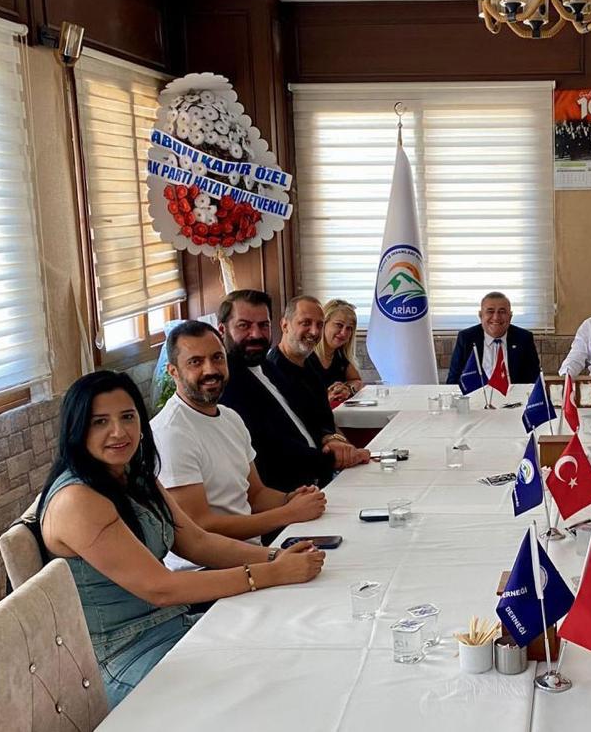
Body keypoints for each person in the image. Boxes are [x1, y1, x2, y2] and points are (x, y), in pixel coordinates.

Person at [37, 371, 325, 707]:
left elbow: (198, 543)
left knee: (293, 650)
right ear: (76, 429)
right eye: (100, 422)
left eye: (127, 417)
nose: (119, 432)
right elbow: (161, 588)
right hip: (124, 658)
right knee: (265, 691)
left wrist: (276, 557)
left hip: (175, 626)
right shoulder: (77, 501)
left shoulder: (133, 475)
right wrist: (270, 573)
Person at [153, 321, 328, 566]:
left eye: (217, 358)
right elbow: (200, 527)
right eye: (195, 362)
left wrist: (291, 499)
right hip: (205, 571)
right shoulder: (170, 433)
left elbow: (256, 495)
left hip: (253, 555)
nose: (210, 369)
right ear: (173, 371)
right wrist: (288, 513)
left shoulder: (230, 417)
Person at [218, 289, 367, 491]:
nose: (256, 334)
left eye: (263, 325)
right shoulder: (228, 383)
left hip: (319, 478)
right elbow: (270, 448)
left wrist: (331, 439)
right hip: (292, 492)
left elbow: (312, 418)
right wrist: (335, 459)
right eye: (244, 326)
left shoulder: (269, 367)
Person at [446, 292, 542, 385]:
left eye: (502, 311)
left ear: (510, 316)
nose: (496, 317)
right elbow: (453, 380)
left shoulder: (524, 338)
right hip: (476, 394)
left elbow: (534, 380)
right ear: (481, 315)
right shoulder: (466, 338)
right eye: (490, 311)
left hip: (514, 395)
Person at [310, 299, 365, 407]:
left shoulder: (340, 356)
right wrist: (326, 398)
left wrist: (348, 389)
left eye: (349, 328)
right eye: (339, 325)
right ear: (323, 323)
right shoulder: (305, 357)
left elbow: (357, 381)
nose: (344, 333)